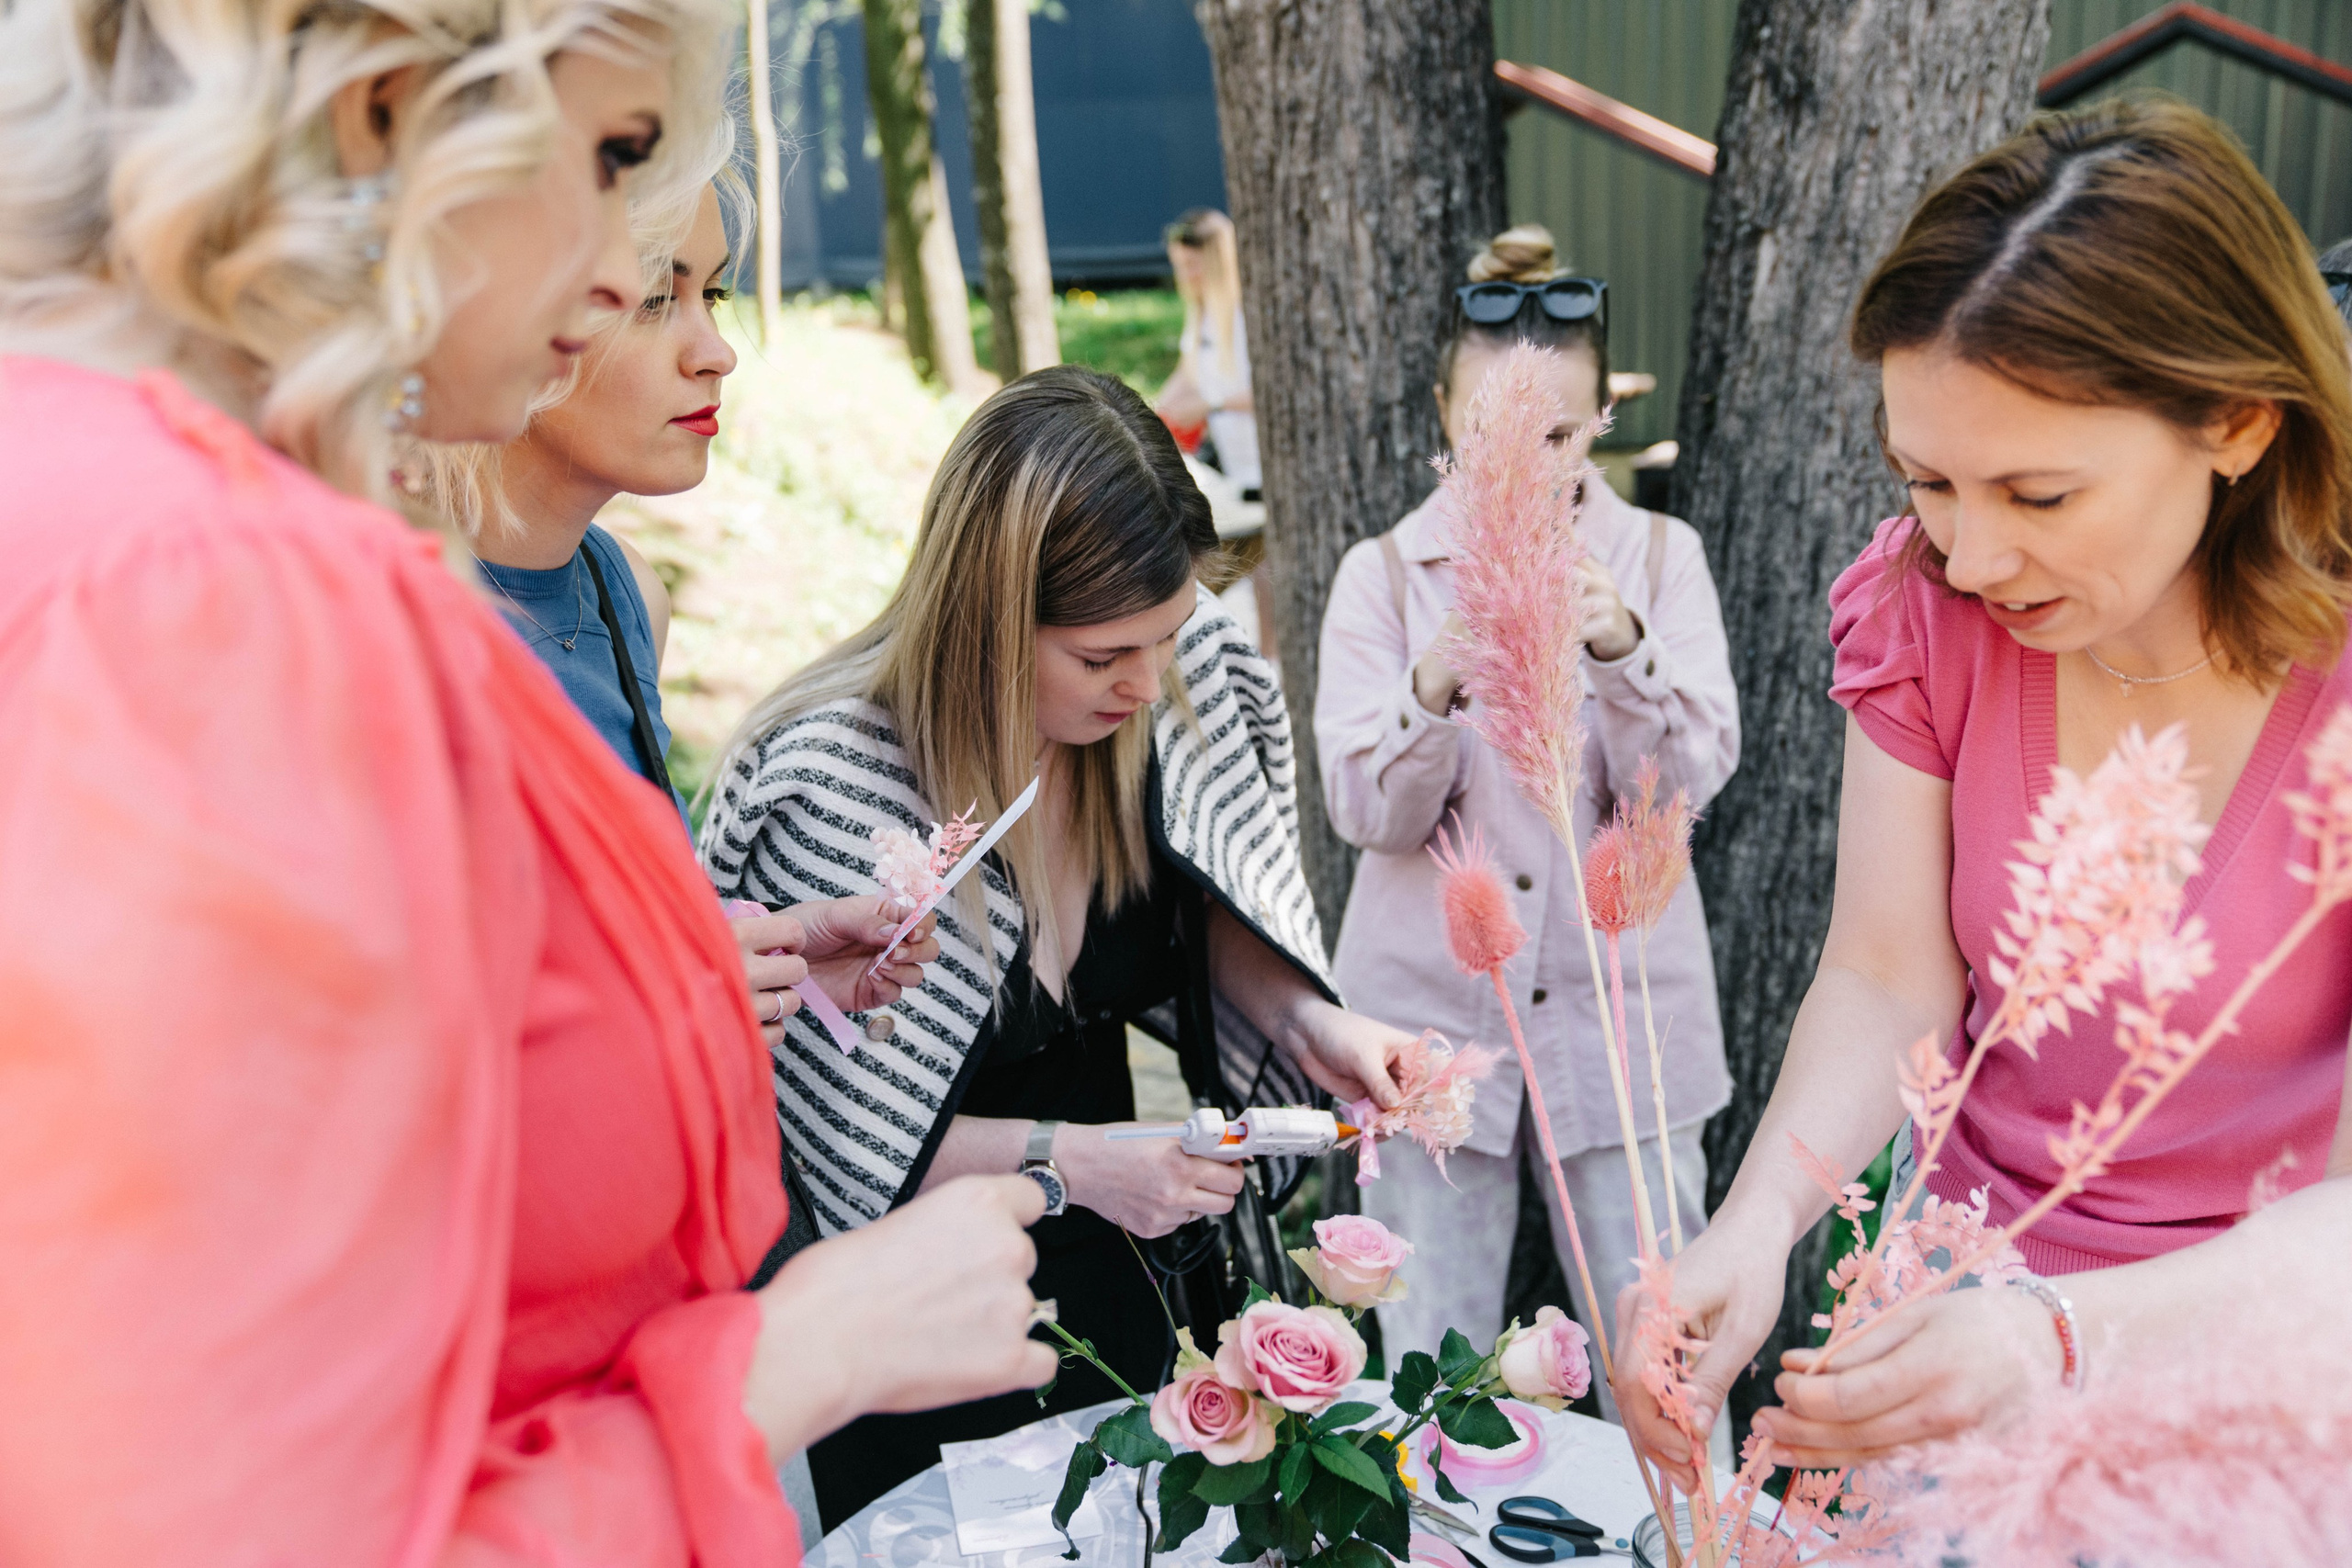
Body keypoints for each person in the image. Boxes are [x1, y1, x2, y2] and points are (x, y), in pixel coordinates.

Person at [0, 0, 1054, 1558]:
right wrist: (796, 1359)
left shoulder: (136, 499)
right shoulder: (209, 590)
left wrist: (692, 966)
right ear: (389, 109)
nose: (625, 266)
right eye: (613, 157)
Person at [1617, 99, 2352, 1486]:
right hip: (1956, 1317)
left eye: (2040, 494)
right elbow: (1892, 978)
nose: (1968, 555)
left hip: (2269, 1365)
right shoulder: (1922, 606)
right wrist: (1760, 1220)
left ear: (2242, 423)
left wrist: (2057, 1336)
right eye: (1929, 481)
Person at [700, 364, 1420, 1525]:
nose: (1146, 683)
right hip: (921, 1320)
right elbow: (834, 1149)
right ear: (987, 624)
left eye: (1168, 636)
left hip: (1135, 1279)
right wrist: (1079, 1165)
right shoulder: (833, 787)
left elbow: (1202, 919)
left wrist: (1306, 1023)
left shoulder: (1177, 701)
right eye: (1101, 657)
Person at [1314, 223, 1738, 1420]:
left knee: (1666, 1371)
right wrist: (1432, 681)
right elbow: (1365, 808)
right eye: (1496, 430)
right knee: (1422, 1378)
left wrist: (1624, 653)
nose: (1530, 460)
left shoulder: (1660, 558)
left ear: (1599, 420)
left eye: (1559, 432)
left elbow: (1694, 782)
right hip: (1433, 1032)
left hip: (1627, 1032)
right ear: (1446, 418)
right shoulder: (1385, 575)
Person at [415, 174, 935, 1066]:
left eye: (715, 292)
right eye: (658, 299)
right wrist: (670, 990)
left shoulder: (627, 597)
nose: (716, 351)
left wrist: (768, 947)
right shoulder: (402, 639)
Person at [1153, 208, 1260, 496]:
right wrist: (1151, 418)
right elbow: (1188, 375)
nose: (1186, 275)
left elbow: (1269, 392)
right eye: (1179, 265)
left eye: (1193, 264)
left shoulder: (1248, 316)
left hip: (1265, 460)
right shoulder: (1202, 314)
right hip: (1235, 465)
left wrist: (1209, 404)